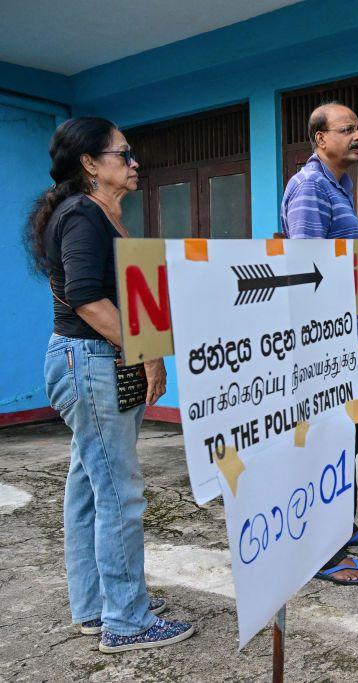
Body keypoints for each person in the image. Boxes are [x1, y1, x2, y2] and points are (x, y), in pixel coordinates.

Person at [27, 117, 194, 652]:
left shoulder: (96, 214)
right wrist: (144, 355)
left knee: (88, 488)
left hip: (92, 361)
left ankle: (98, 607)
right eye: (123, 154)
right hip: (93, 361)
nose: (134, 162)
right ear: (90, 164)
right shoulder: (82, 216)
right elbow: (86, 299)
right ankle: (127, 621)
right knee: (119, 493)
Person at [280, 102, 358, 585]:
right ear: (320, 138)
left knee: (351, 434)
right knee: (329, 439)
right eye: (348, 129)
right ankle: (323, 550)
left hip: (355, 334)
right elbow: (304, 271)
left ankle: (340, 525)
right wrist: (322, 345)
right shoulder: (308, 189)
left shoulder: (338, 186)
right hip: (331, 342)